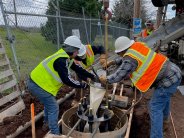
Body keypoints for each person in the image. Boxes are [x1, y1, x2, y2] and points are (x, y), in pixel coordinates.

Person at [99, 36, 182, 138]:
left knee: (154, 107)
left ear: (122, 50)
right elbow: (125, 58)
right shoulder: (137, 47)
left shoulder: (130, 59)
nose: (120, 55)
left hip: (168, 79)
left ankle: (156, 136)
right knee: (164, 99)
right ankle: (164, 121)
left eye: (119, 53)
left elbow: (120, 74)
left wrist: (106, 79)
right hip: (173, 72)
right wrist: (113, 61)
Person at [27, 36, 98, 135]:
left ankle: (46, 124)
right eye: (77, 51)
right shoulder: (61, 60)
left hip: (40, 83)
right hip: (37, 85)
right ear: (72, 50)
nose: (78, 53)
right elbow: (67, 80)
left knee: (49, 104)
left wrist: (92, 76)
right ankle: (55, 134)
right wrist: (83, 85)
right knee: (53, 107)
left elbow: (78, 69)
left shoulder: (65, 56)